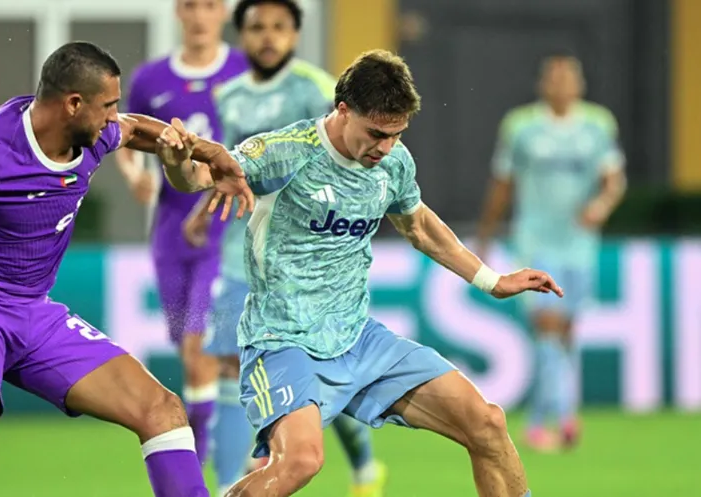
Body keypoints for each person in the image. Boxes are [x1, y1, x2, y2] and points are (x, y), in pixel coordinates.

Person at [0, 41, 251, 497]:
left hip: (36, 313)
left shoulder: (94, 134)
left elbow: (135, 130)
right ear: (73, 104)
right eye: (108, 106)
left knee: (162, 410)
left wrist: (208, 153)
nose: (114, 117)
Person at [155, 49, 564, 497]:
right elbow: (197, 177)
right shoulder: (287, 152)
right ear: (343, 110)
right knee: (300, 462)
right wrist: (176, 161)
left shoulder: (394, 162)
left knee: (487, 423)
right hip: (283, 341)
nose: (385, 147)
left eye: (397, 134)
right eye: (376, 134)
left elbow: (418, 226)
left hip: (358, 339)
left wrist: (492, 280)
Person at [183, 1, 385, 495]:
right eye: (257, 28)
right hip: (243, 252)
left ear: (295, 35)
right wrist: (202, 210)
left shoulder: (316, 90)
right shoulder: (229, 95)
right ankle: (229, 485)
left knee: (325, 370)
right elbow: (231, 164)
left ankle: (364, 465)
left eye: (279, 27)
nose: (268, 37)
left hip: (306, 257)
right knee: (229, 363)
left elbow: (348, 160)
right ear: (242, 35)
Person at [115, 0, 249, 462]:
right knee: (188, 344)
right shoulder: (150, 79)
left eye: (209, 6)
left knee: (199, 346)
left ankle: (200, 453)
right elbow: (124, 135)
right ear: (178, 12)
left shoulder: (244, 72)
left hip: (225, 227)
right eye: (191, 5)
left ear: (222, 13)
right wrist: (133, 174)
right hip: (170, 230)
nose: (199, 16)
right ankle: (229, 436)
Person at [476, 52, 626, 451]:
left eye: (568, 78)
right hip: (535, 241)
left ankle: (549, 417)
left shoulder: (598, 124)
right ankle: (558, 418)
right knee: (547, 325)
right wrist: (487, 232)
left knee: (566, 330)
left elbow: (614, 180)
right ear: (542, 85)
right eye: (554, 78)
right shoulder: (521, 126)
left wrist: (601, 206)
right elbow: (503, 182)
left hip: (579, 244)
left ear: (580, 84)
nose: (561, 85)